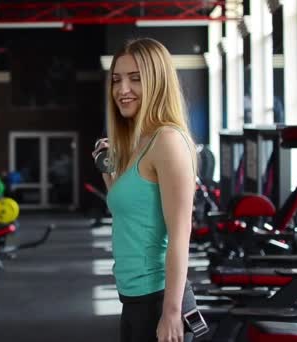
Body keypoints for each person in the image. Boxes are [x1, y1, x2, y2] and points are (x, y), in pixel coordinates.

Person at [91, 38, 198, 342]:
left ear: (157, 81)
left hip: (159, 298)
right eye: (116, 80)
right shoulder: (139, 144)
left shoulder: (167, 141)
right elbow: (131, 216)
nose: (122, 89)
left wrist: (172, 313)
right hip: (133, 298)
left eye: (135, 78)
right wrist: (109, 171)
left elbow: (180, 233)